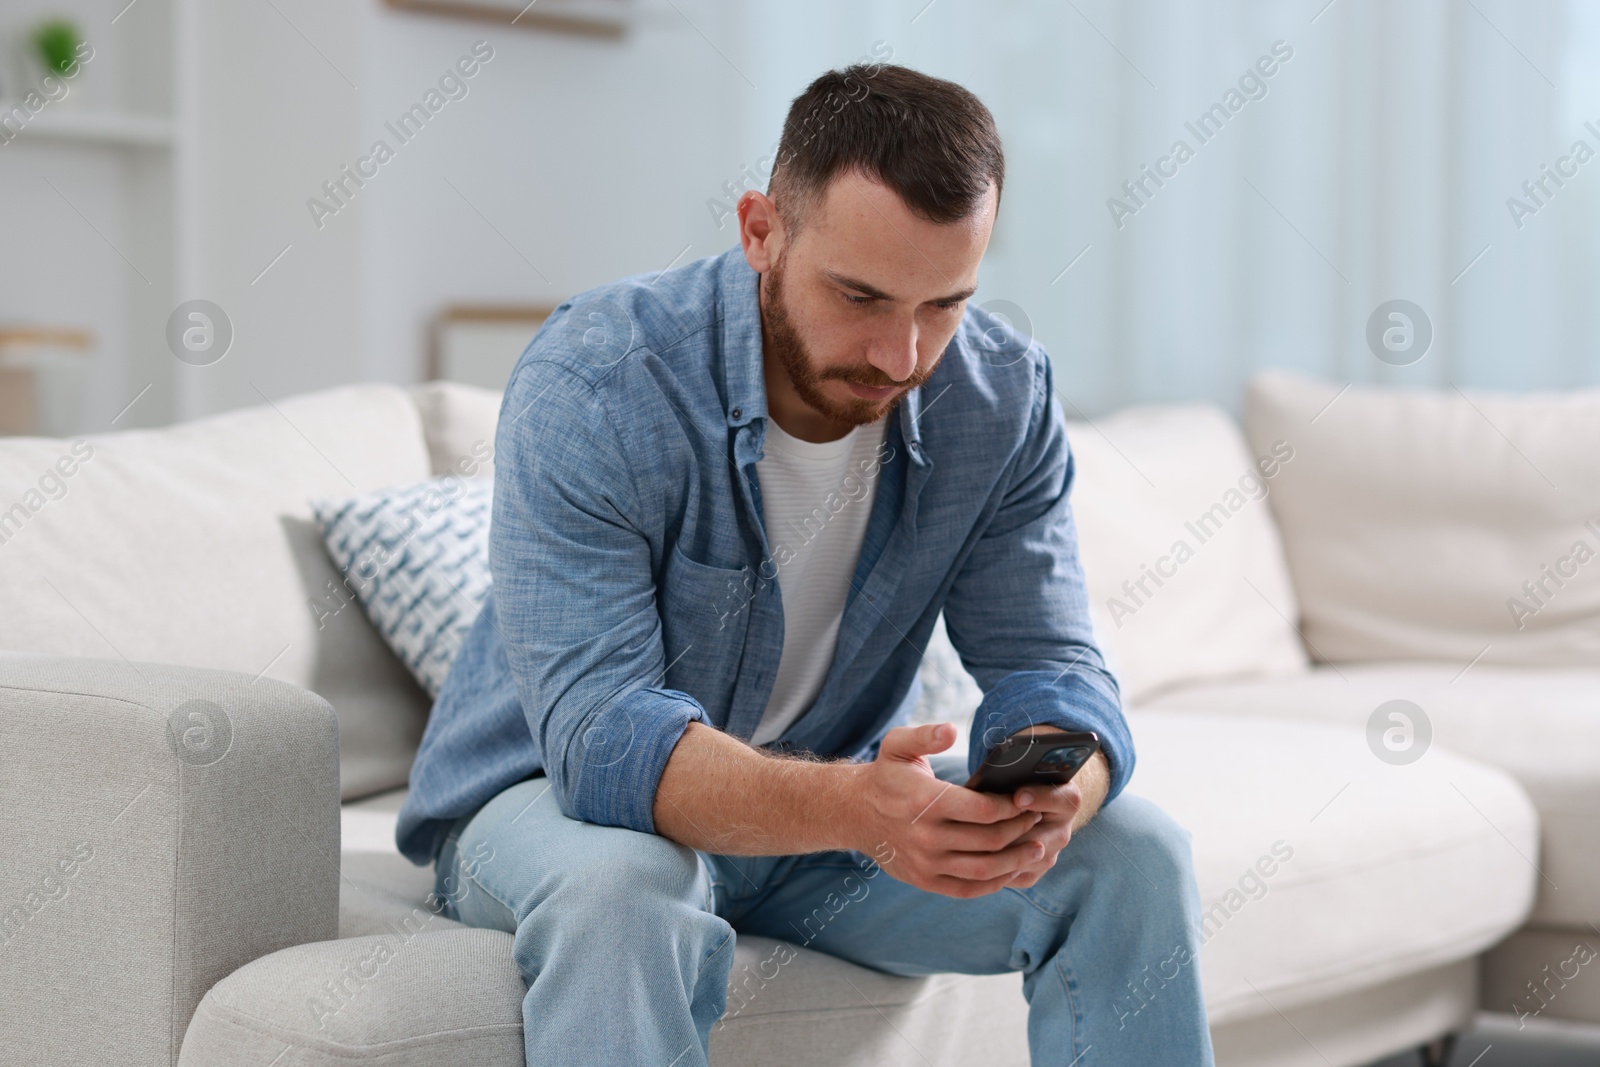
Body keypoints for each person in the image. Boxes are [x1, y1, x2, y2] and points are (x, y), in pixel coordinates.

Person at [396, 62, 1213, 1067]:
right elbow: (602, 739)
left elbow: (1049, 660)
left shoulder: (997, 399)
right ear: (759, 231)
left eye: (943, 303)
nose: (899, 354)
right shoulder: (601, 377)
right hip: (548, 803)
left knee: (1132, 853)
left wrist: (1056, 789)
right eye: (860, 295)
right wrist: (856, 807)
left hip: (816, 828)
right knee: (628, 884)